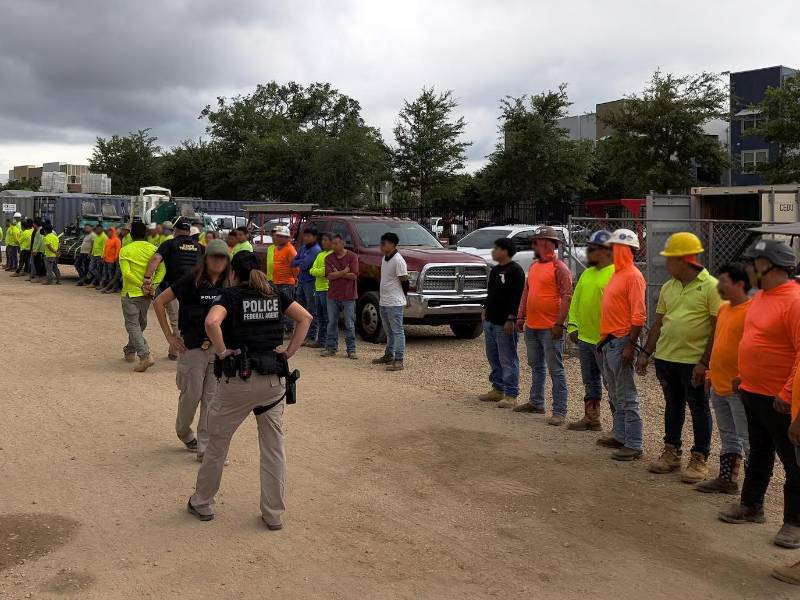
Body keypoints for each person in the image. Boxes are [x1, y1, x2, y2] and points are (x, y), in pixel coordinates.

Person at [187, 251, 312, 528]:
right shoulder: (276, 294)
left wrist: (221, 352)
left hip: (237, 381)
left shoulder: (230, 297)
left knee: (217, 445)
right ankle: (273, 513)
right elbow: (305, 318)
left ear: (234, 273)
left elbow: (211, 322)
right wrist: (288, 352)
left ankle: (203, 503)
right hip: (272, 382)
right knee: (273, 448)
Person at [719, 239, 800, 551]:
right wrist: (744, 375)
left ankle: (794, 523)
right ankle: (752, 505)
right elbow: (756, 341)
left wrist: (788, 392)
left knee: (794, 466)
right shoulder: (762, 297)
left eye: (753, 262)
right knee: (759, 452)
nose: (748, 268)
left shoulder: (793, 301)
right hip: (754, 392)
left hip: (781, 400)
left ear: (771, 265)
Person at [637, 232, 721, 483]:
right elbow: (658, 323)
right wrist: (646, 353)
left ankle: (700, 457)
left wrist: (705, 362)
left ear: (685, 260)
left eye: (670, 259)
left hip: (693, 362)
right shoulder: (668, 287)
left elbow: (718, 328)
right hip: (666, 358)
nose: (666, 264)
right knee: (673, 406)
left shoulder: (712, 287)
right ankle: (672, 451)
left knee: (698, 408)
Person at [154, 238, 231, 461]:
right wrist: (170, 336)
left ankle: (204, 449)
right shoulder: (191, 280)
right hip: (192, 349)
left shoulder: (230, 284)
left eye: (222, 257)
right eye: (214, 257)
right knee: (191, 396)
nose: (218, 261)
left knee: (211, 400)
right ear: (206, 259)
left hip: (218, 351)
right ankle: (183, 431)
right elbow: (159, 302)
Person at [695, 263, 751, 494]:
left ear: (740, 284)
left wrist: (743, 377)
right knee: (728, 435)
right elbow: (718, 344)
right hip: (719, 384)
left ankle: (752, 492)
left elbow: (754, 349)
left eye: (724, 281)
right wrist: (709, 372)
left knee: (747, 439)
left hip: (739, 388)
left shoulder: (751, 311)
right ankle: (727, 479)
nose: (719, 286)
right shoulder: (725, 309)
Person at [513, 226, 573, 424]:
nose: (533, 245)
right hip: (533, 326)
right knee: (536, 365)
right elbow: (526, 293)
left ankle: (560, 410)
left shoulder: (560, 269)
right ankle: (536, 402)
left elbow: (566, 297)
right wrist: (521, 316)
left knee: (555, 369)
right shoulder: (534, 267)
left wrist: (559, 323)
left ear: (547, 243)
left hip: (549, 327)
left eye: (536, 242)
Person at [597, 228, 647, 461]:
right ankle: (620, 435)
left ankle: (634, 443)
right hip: (610, 341)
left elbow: (639, 316)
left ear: (628, 251)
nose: (612, 252)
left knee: (627, 394)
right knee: (615, 392)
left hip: (621, 340)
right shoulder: (617, 275)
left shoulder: (633, 276)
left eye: (616, 248)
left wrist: (630, 345)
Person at [566, 229, 615, 431]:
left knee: (611, 383)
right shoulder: (587, 273)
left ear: (606, 251)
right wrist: (572, 325)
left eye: (592, 249)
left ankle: (619, 427)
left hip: (605, 341)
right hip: (585, 338)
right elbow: (576, 302)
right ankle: (592, 417)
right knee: (590, 381)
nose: (588, 252)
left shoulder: (615, 274)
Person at [143, 217, 204, 360]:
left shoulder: (169, 244)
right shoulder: (200, 247)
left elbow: (156, 259)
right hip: (195, 288)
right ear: (189, 232)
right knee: (192, 318)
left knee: (176, 320)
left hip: (174, 287)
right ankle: (175, 351)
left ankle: (179, 351)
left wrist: (147, 278)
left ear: (175, 230)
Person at [478, 237, 525, 407]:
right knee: (493, 355)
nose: (493, 251)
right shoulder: (496, 270)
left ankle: (511, 393)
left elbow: (517, 297)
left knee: (508, 357)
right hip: (490, 319)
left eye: (497, 248)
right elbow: (491, 292)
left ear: (505, 251)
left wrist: (512, 318)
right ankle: (497, 388)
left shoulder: (516, 271)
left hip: (504, 321)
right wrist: (485, 308)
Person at [119, 221, 165, 372]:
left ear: (131, 234)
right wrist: (152, 286)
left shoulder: (125, 250)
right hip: (147, 294)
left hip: (131, 292)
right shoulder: (154, 250)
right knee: (140, 324)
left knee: (132, 325)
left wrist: (140, 284)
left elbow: (126, 273)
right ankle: (129, 351)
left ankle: (144, 355)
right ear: (145, 234)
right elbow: (162, 270)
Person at [372, 232, 409, 371]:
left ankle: (399, 360)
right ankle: (389, 354)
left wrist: (405, 297)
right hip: (385, 301)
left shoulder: (398, 260)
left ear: (392, 244)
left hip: (394, 301)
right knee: (389, 331)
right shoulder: (385, 258)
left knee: (397, 331)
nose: (381, 246)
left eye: (384, 243)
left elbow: (404, 280)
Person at [322, 234, 359, 359]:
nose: (333, 246)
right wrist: (344, 272)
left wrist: (336, 272)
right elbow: (328, 276)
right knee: (332, 323)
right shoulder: (328, 258)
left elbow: (354, 275)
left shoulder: (352, 256)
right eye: (332, 243)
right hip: (333, 295)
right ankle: (331, 347)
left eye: (336, 243)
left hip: (349, 296)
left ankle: (351, 350)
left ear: (343, 243)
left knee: (349, 323)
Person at [265, 225, 298, 335]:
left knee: (287, 307)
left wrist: (294, 278)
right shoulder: (276, 249)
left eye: (281, 236)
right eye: (277, 236)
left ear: (287, 238)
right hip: (277, 281)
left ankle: (289, 329)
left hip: (287, 282)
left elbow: (295, 267)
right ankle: (282, 328)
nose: (277, 238)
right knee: (278, 306)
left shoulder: (290, 250)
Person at [292, 226, 321, 345]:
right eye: (305, 235)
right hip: (302, 281)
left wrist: (301, 261)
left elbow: (304, 265)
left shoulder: (316, 250)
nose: (305, 238)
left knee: (311, 309)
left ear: (314, 237)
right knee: (301, 309)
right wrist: (302, 260)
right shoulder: (303, 248)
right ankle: (302, 335)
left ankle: (312, 335)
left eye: (309, 236)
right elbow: (293, 262)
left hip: (311, 282)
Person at [307, 233, 333, 349]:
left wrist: (317, 271)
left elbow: (325, 271)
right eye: (322, 240)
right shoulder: (320, 254)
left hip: (327, 289)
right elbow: (312, 270)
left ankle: (328, 342)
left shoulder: (332, 255)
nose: (323, 242)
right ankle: (321, 341)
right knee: (320, 317)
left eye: (326, 240)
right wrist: (317, 271)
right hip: (317, 288)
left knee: (328, 318)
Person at [98, 226, 121, 292]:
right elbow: (105, 249)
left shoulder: (117, 240)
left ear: (113, 232)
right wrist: (103, 256)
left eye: (109, 232)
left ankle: (113, 288)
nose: (108, 233)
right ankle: (105, 286)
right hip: (106, 260)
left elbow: (118, 249)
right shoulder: (107, 240)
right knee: (106, 274)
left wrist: (115, 258)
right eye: (107, 232)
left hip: (112, 261)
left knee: (112, 275)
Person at [87, 224, 107, 288]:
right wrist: (91, 253)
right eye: (96, 229)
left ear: (101, 229)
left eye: (98, 229)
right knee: (91, 268)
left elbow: (105, 247)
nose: (96, 230)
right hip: (94, 255)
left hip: (99, 256)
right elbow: (94, 245)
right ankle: (100, 281)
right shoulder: (96, 236)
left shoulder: (104, 237)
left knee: (98, 270)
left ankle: (98, 283)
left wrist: (102, 256)